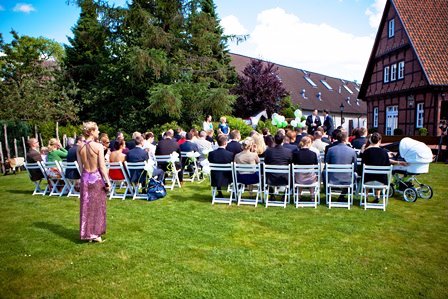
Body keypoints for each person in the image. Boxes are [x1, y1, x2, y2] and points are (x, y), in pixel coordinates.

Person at [77, 121, 110, 243]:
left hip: (85, 178)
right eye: (97, 130)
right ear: (91, 131)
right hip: (96, 178)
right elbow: (102, 167)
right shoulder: (99, 146)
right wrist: (108, 182)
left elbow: (81, 167)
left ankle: (87, 233)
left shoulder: (79, 147)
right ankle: (96, 234)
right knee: (98, 207)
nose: (99, 132)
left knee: (86, 206)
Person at [325, 130, 358, 201]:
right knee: (354, 175)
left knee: (324, 172)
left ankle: (327, 193)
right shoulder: (352, 151)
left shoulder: (330, 150)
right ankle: (343, 194)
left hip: (332, 178)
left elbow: (326, 163)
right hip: (347, 179)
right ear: (346, 139)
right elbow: (355, 167)